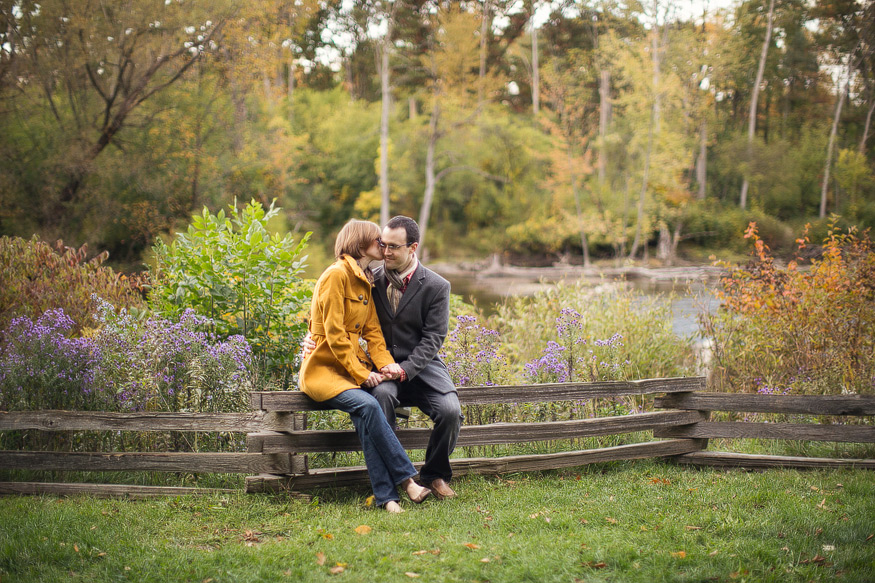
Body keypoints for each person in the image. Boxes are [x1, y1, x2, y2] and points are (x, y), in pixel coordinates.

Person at [299, 219, 431, 513]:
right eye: (377, 241)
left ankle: (387, 499)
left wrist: (387, 367)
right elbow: (334, 335)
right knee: (369, 405)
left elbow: (373, 334)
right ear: (359, 243)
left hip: (347, 371)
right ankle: (408, 480)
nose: (383, 246)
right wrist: (363, 374)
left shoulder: (365, 280)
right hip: (323, 371)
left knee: (365, 417)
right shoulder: (336, 276)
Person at [370, 216, 463, 500]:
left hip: (422, 367)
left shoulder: (437, 286)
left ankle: (434, 475)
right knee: (380, 399)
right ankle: (396, 478)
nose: (386, 252)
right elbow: (341, 312)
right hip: (382, 367)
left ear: (413, 247)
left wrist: (405, 370)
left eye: (393, 247)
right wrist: (314, 335)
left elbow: (434, 338)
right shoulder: (370, 280)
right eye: (383, 244)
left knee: (450, 412)